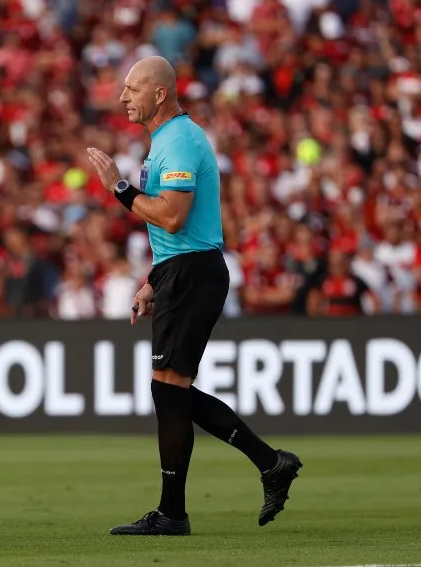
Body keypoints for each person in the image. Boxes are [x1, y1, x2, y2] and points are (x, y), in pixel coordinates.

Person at [87, 56, 302, 536]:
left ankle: (177, 512)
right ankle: (267, 464)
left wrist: (118, 187)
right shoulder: (165, 141)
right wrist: (152, 281)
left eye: (132, 88)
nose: (123, 96)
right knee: (170, 391)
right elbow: (171, 232)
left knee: (168, 390)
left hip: (194, 273)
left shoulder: (180, 141)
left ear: (159, 94)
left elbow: (173, 218)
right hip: (179, 272)